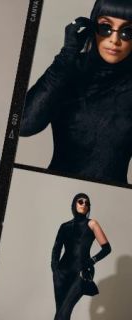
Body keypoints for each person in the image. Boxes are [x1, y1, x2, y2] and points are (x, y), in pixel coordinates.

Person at [20, 0, 132, 185]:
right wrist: (67, 55)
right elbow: (23, 125)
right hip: (53, 189)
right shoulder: (69, 69)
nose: (115, 39)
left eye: (127, 31)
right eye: (105, 27)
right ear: (92, 26)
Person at [32, 193, 110, 320]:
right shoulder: (64, 226)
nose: (84, 204)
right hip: (62, 274)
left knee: (64, 310)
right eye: (80, 201)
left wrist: (92, 261)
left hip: (81, 273)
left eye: (87, 202)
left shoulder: (92, 224)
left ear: (89, 207)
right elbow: (56, 248)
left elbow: (107, 248)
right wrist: (54, 269)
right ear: (74, 204)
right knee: (62, 311)